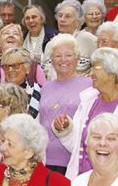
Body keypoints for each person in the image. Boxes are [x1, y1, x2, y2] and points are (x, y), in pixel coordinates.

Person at [52, 47, 118, 180]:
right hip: (84, 184)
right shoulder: (88, 101)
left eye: (95, 68)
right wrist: (65, 130)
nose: (91, 74)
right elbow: (76, 148)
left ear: (113, 72)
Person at [38, 35, 93, 175]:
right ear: (51, 60)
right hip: (44, 160)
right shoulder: (46, 87)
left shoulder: (89, 86)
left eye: (68, 55)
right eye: (57, 56)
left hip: (73, 161)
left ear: (77, 58)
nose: (63, 60)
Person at [0, 23, 46, 89]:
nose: (11, 35)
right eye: (6, 33)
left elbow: (44, 94)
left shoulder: (34, 67)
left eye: (16, 34)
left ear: (21, 43)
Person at [43, 0, 96, 78]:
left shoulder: (88, 39)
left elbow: (103, 64)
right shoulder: (50, 44)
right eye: (60, 16)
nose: (62, 19)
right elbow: (45, 73)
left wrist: (91, 74)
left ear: (78, 22)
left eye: (67, 16)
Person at [0, 47, 43, 118]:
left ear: (27, 69)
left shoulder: (38, 90)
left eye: (15, 66)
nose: (10, 70)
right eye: (6, 67)